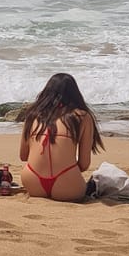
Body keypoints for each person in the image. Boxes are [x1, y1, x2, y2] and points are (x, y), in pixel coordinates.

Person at [19, 73, 104, 202]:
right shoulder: (82, 117)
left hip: (32, 181)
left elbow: (23, 156)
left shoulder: (32, 114)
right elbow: (84, 164)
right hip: (66, 182)